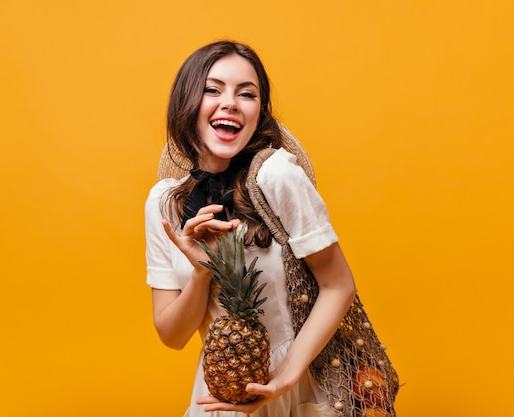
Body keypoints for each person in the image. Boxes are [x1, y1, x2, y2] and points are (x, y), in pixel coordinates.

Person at [145, 40, 357, 417]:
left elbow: (338, 284)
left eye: (247, 94)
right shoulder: (164, 202)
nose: (230, 102)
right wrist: (200, 273)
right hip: (218, 394)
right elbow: (172, 336)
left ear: (258, 113)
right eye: (213, 89)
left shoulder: (278, 176)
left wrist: (286, 376)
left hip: (299, 385)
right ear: (187, 104)